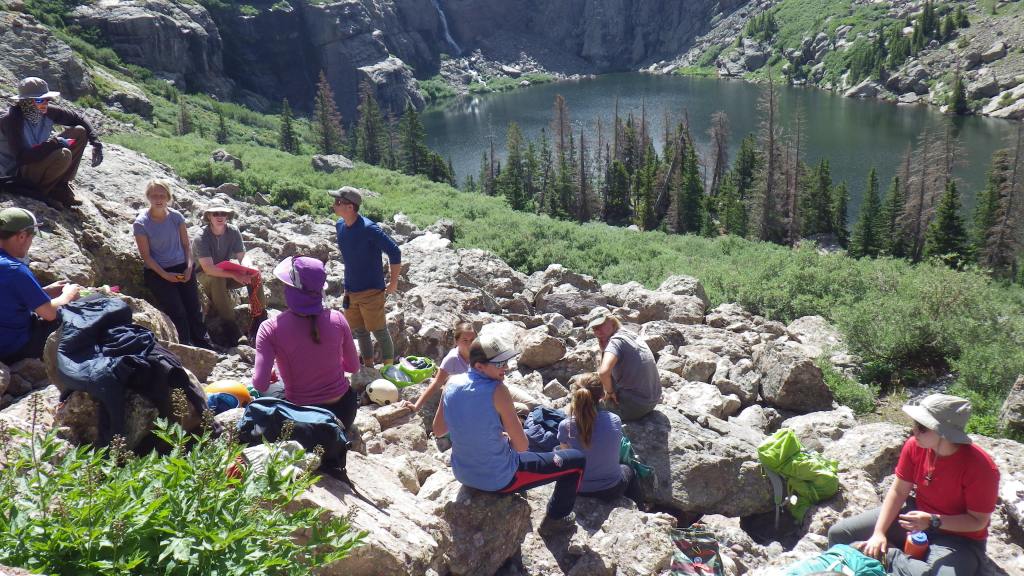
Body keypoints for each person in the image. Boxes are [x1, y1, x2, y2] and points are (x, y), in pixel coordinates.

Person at [827, 394, 999, 576]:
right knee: (839, 534)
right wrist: (879, 533)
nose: (914, 431)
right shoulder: (915, 446)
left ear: (944, 433)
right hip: (914, 517)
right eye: (915, 423)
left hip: (958, 539)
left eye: (922, 427)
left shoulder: (981, 468)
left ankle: (891, 558)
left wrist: (932, 521)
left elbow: (978, 522)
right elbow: (899, 490)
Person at [433, 332, 587, 535]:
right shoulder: (498, 390)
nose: (505, 367)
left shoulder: (451, 383)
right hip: (499, 478)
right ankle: (556, 519)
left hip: (462, 473)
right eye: (499, 364)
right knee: (576, 461)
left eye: (506, 361)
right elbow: (522, 447)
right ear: (479, 366)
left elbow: (438, 430)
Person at [251, 256, 361, 433]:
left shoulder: (269, 329)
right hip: (344, 414)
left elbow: (260, 384)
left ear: (290, 290)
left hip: (302, 418)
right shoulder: (338, 318)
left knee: (269, 392)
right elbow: (353, 367)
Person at [0, 77, 103, 207]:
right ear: (26, 101)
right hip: (16, 171)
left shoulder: (46, 111)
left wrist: (96, 143)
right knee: (62, 154)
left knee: (80, 132)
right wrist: (54, 144)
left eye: (47, 99)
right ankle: (42, 192)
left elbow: (79, 118)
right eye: (39, 100)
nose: (45, 103)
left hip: (35, 158)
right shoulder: (11, 120)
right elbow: (22, 157)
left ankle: (61, 186)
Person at [133, 179, 212, 349]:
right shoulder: (141, 223)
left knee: (194, 308)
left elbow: (186, 245)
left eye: (162, 195)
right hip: (157, 271)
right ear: (148, 197)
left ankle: (204, 344)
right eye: (154, 195)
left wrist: (189, 267)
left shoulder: (176, 217)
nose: (158, 199)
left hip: (182, 266)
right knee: (177, 311)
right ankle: (186, 346)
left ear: (168, 197)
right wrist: (165, 275)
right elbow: (146, 257)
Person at [330, 186, 401, 367]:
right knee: (360, 331)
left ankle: (389, 370)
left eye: (338, 202)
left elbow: (395, 252)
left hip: (371, 290)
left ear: (350, 207)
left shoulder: (370, 229)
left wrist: (393, 283)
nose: (334, 205)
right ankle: (368, 366)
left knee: (379, 331)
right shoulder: (340, 226)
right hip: (351, 290)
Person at [0, 207, 80, 364]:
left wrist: (44, 292)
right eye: (32, 237)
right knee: (78, 318)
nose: (30, 243)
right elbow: (49, 313)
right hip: (13, 346)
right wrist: (68, 295)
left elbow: (7, 297)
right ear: (22, 236)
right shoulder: (14, 269)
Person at [193, 201, 267, 344]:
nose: (220, 216)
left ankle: (260, 318)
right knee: (217, 278)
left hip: (223, 271)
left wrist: (247, 269)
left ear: (228, 216)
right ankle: (231, 327)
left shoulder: (233, 231)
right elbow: (208, 268)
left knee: (254, 274)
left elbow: (242, 256)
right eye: (215, 213)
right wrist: (234, 275)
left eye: (223, 213)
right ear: (209, 216)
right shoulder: (201, 237)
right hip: (202, 277)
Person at [558, 372, 637, 502]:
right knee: (629, 470)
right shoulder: (614, 419)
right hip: (611, 488)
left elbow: (567, 458)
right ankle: (639, 509)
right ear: (602, 395)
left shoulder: (565, 426)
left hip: (579, 489)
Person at [587, 307, 661, 421]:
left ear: (612, 321)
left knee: (585, 406)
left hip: (636, 406)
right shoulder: (629, 334)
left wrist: (610, 392)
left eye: (600, 326)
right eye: (594, 328)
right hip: (653, 399)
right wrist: (603, 350)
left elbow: (603, 373)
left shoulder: (615, 341)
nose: (597, 331)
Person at [410, 321, 476, 415]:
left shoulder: (479, 354)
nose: (470, 344)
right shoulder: (452, 359)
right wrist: (416, 406)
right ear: (456, 341)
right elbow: (437, 383)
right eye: (465, 340)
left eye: (472, 340)